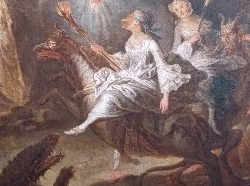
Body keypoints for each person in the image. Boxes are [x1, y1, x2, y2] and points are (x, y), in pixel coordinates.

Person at [63, 10, 191, 136]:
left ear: (137, 23)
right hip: (130, 75)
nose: (126, 20)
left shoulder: (150, 43)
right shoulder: (129, 41)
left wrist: (165, 96)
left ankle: (84, 125)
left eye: (130, 18)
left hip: (146, 82)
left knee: (111, 94)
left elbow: (162, 67)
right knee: (104, 81)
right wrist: (102, 52)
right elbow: (124, 64)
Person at [168, 0, 246, 134]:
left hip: (210, 53)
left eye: (182, 7)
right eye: (177, 10)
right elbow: (175, 50)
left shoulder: (201, 20)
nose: (180, 11)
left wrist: (206, 40)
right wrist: (190, 42)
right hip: (193, 57)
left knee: (223, 71)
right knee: (206, 77)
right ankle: (212, 114)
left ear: (188, 6)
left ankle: (224, 111)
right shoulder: (179, 27)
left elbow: (216, 38)